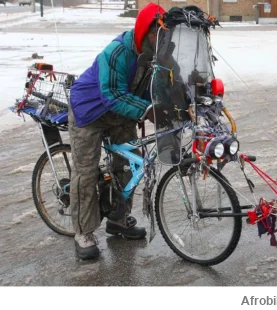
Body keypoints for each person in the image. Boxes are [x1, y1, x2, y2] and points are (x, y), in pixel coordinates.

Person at [68, 2, 165, 260]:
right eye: (156, 33)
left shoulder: (154, 56)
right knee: (86, 172)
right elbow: (112, 95)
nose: (160, 39)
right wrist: (148, 110)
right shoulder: (118, 52)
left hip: (122, 113)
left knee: (130, 164)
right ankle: (83, 232)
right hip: (89, 112)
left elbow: (161, 86)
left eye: (163, 34)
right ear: (144, 31)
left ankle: (118, 220)